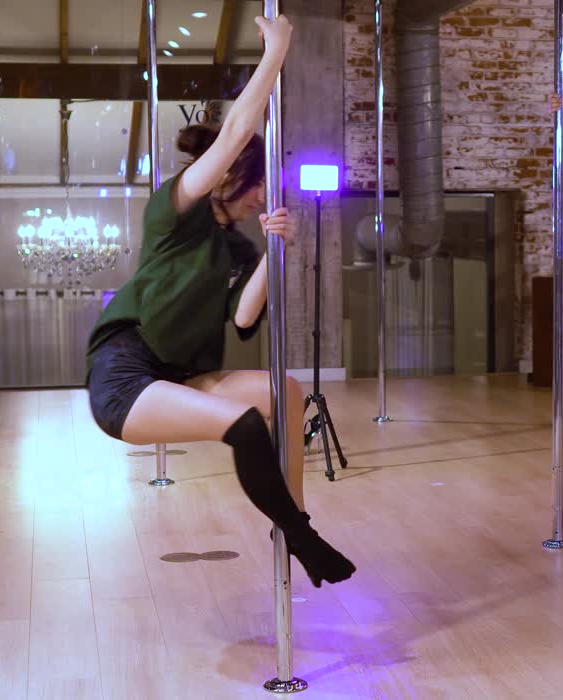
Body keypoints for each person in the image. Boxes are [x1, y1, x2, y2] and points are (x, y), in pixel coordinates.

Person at [86, 14, 355, 588]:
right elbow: (234, 134)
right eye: (258, 182)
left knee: (287, 392)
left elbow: (244, 316)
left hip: (180, 375)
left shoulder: (236, 246)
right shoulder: (176, 210)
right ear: (231, 177)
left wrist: (275, 251)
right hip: (127, 378)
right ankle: (302, 538)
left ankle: (293, 520)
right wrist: (276, 53)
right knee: (243, 425)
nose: (263, 195)